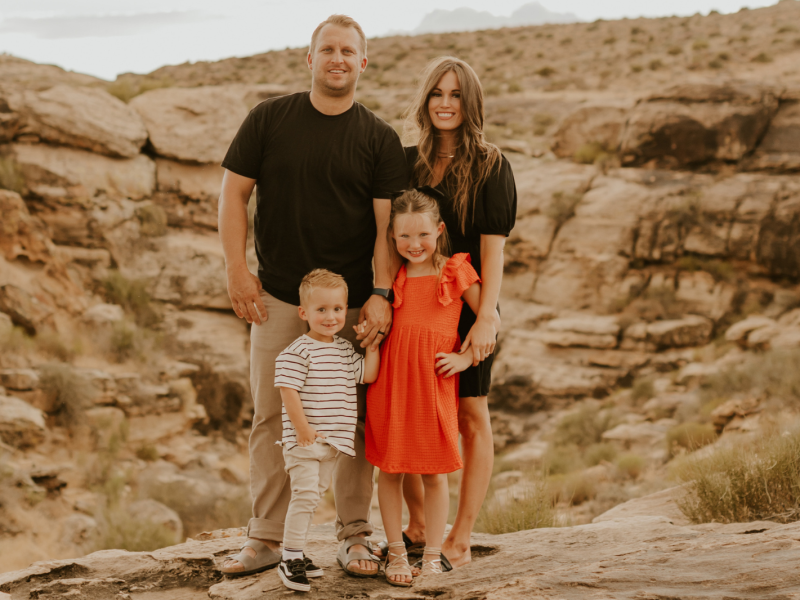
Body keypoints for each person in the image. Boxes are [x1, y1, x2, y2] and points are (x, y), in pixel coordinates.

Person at [218, 14, 407, 578]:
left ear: (363, 62)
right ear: (309, 58)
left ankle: (354, 537)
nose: (338, 59)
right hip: (276, 297)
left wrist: (378, 294)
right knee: (273, 416)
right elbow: (233, 197)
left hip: (349, 307)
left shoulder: (378, 138)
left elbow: (384, 231)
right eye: (327, 49)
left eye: (349, 51)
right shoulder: (269, 119)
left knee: (351, 416)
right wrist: (236, 269)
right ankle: (267, 539)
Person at [385, 56, 517, 571]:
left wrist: (485, 319)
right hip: (414, 306)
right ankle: (419, 525)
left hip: (470, 303)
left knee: (470, 414)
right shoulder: (404, 161)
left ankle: (459, 538)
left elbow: (494, 252)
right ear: (425, 99)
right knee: (416, 415)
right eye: (437, 93)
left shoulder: (492, 164)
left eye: (456, 94)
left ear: (471, 103)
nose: (445, 103)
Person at [365, 189, 483, 586]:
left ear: (440, 231)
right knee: (391, 470)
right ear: (392, 238)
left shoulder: (455, 270)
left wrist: (465, 359)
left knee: (435, 472)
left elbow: (488, 320)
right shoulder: (393, 277)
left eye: (423, 236)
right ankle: (396, 553)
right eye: (403, 237)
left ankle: (433, 556)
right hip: (392, 384)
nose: (414, 245)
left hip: (433, 384)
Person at [274, 269, 380, 592]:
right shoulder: (297, 351)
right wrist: (302, 428)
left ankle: (296, 551)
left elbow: (369, 375)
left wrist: (371, 344)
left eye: (337, 309)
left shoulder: (345, 351)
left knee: (313, 496)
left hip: (332, 444)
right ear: (304, 313)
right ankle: (289, 556)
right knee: (305, 496)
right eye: (321, 310)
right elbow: (287, 390)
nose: (330, 317)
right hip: (304, 441)